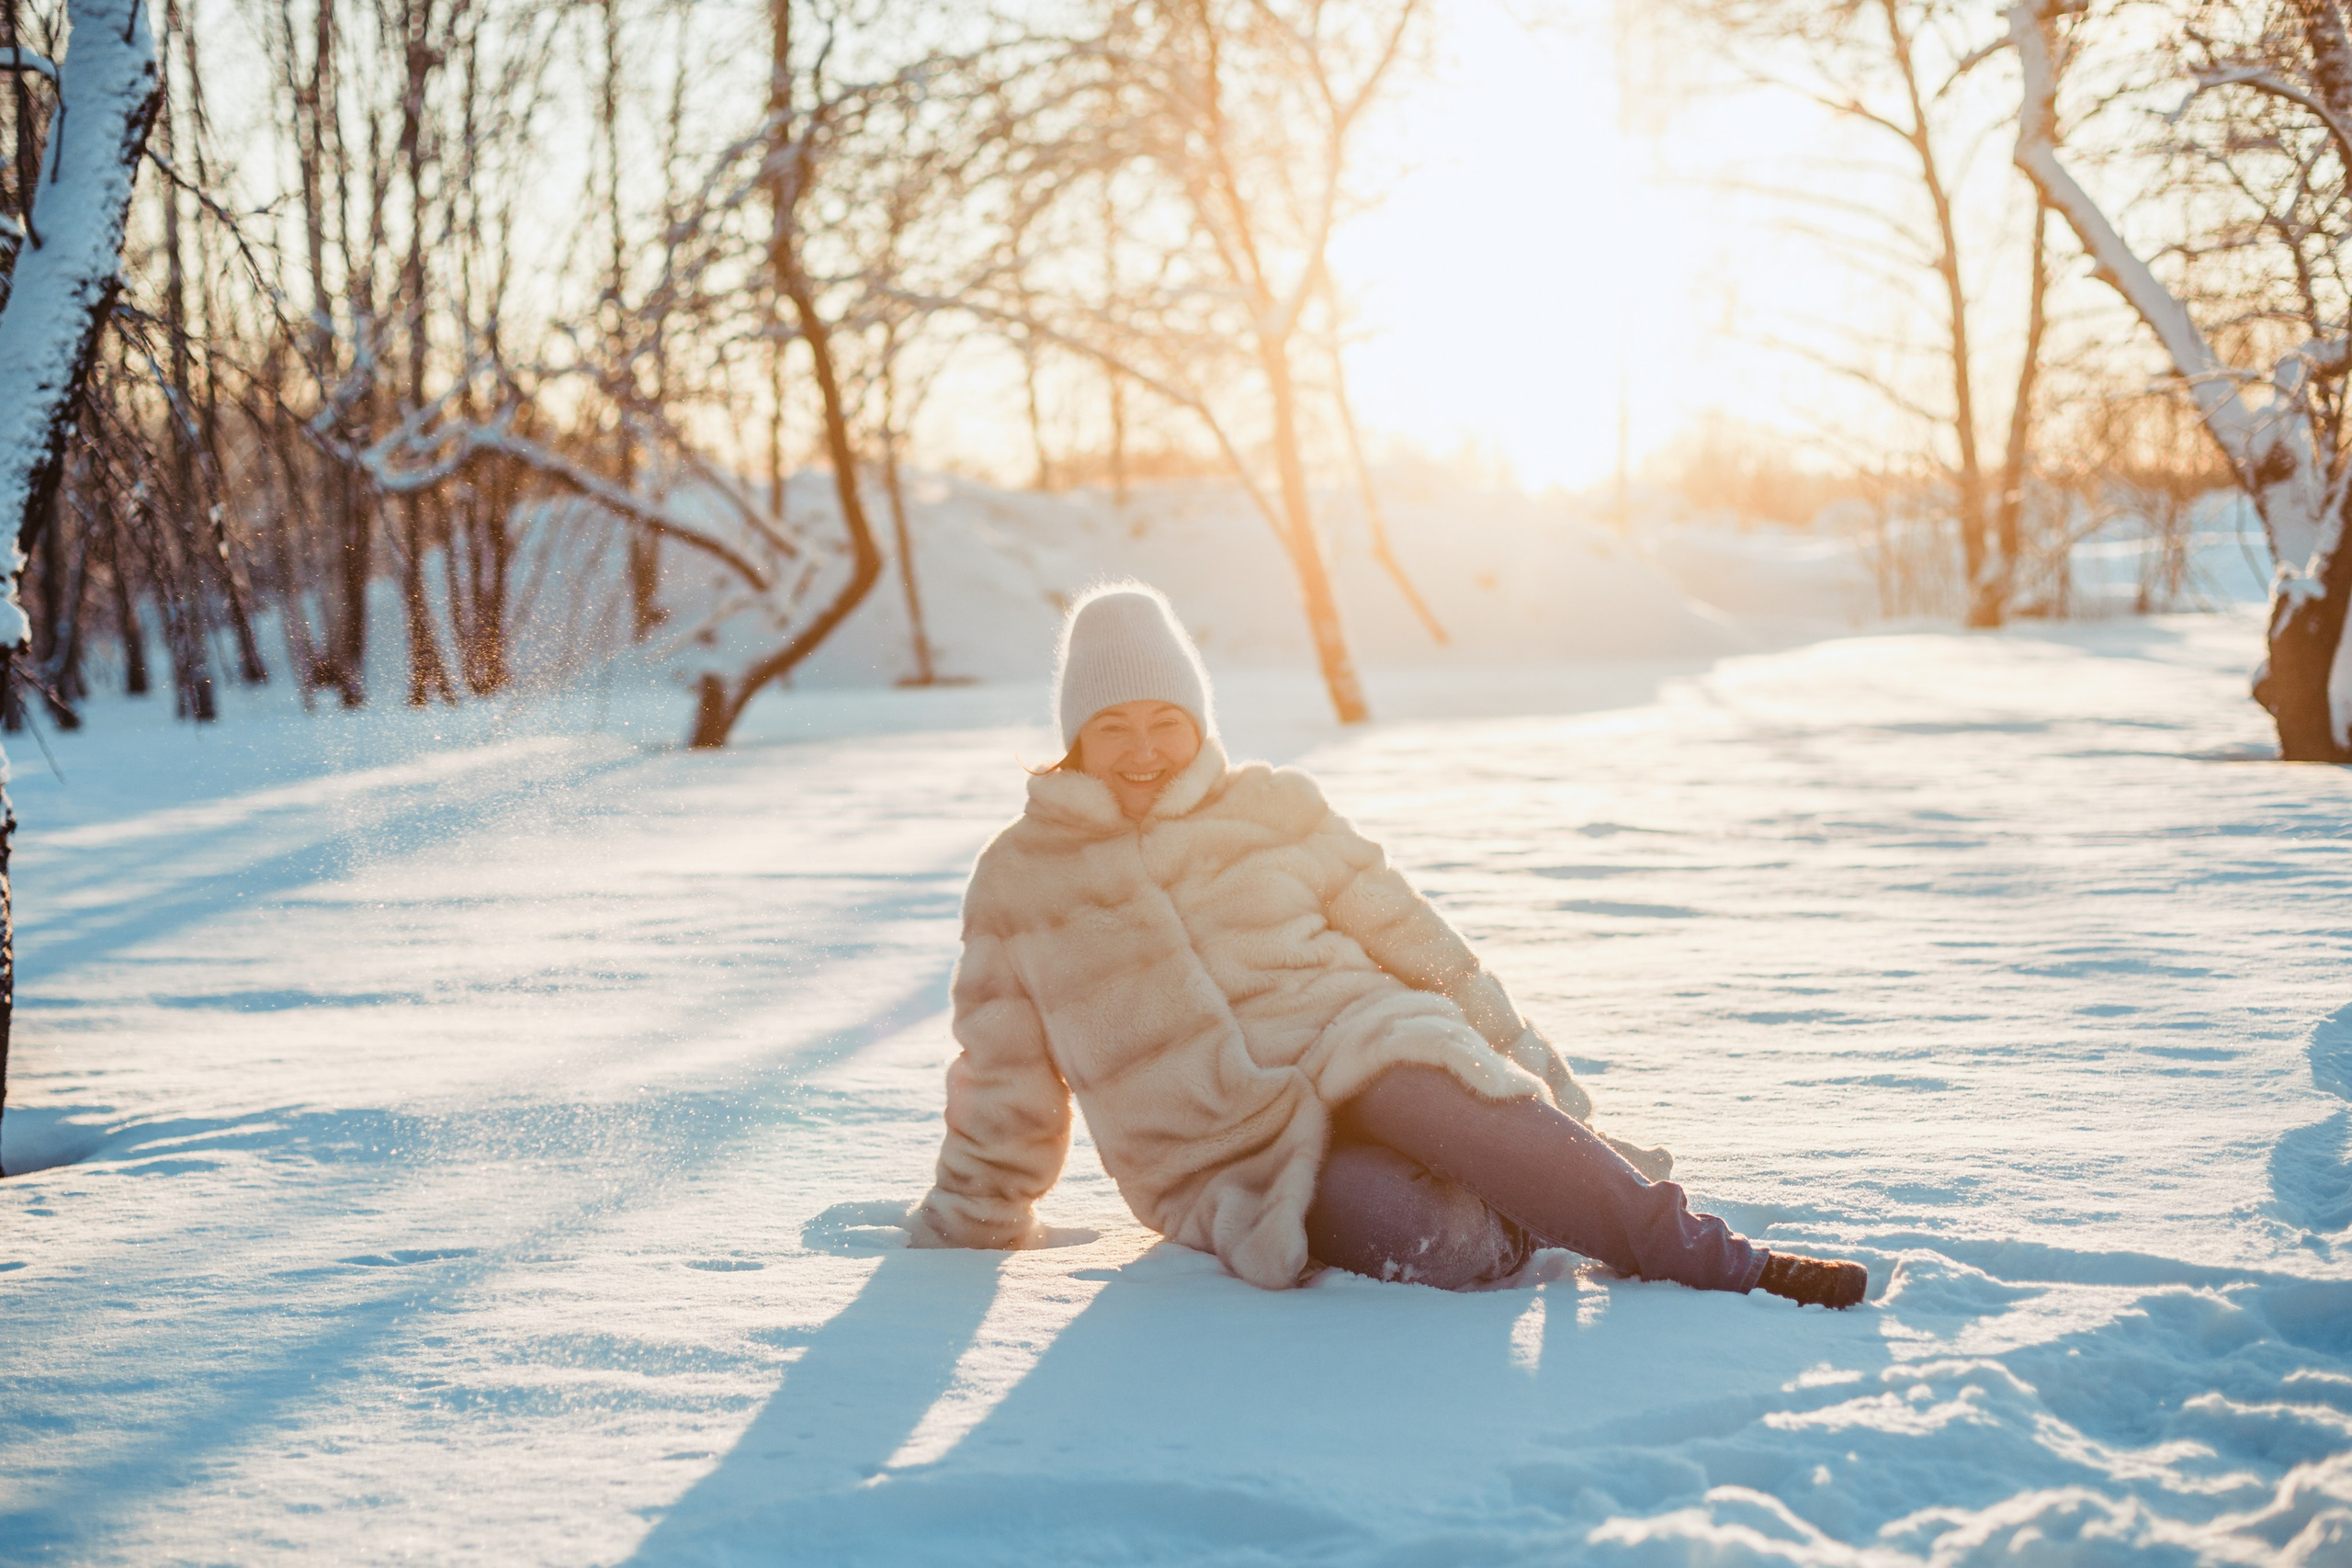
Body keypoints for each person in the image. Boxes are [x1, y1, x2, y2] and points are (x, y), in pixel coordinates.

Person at [909, 583, 1866, 1308]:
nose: (1145, 747)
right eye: (1113, 727)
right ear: (1075, 737)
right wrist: (975, 1215)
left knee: (1437, 1082)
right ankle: (1543, 1190)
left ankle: (1719, 1260)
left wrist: (1541, 1092)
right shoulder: (1022, 876)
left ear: (1198, 722)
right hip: (1220, 1154)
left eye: (1165, 720)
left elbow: (1426, 950)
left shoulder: (1273, 809)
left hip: (1363, 1040)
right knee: (1426, 1239)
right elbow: (1001, 1075)